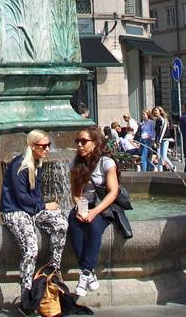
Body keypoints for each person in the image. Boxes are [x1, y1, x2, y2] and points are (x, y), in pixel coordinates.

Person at [1, 129, 68, 300]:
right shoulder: (19, 165)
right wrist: (45, 205)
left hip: (33, 211)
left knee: (61, 223)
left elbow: (33, 197)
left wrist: (47, 209)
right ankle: (26, 294)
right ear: (32, 146)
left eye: (48, 145)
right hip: (15, 211)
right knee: (31, 249)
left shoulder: (37, 163)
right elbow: (21, 198)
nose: (47, 149)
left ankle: (53, 268)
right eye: (43, 146)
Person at [67, 127, 120, 298]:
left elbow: (113, 192)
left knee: (94, 227)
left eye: (84, 141)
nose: (80, 145)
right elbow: (75, 194)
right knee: (74, 224)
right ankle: (88, 272)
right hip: (84, 205)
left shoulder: (106, 162)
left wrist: (94, 212)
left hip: (104, 206)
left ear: (95, 143)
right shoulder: (75, 163)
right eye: (78, 142)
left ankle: (85, 273)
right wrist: (82, 210)